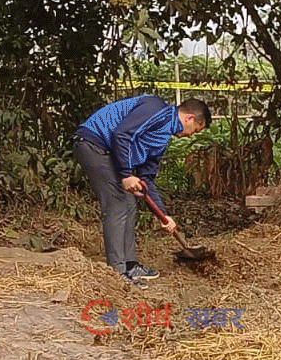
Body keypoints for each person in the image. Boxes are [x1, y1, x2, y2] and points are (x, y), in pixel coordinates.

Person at [73, 93, 210, 286]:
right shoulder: (155, 108)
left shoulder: (161, 140)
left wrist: (164, 215)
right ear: (189, 118)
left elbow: (147, 179)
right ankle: (117, 272)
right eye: (195, 130)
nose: (190, 136)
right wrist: (126, 174)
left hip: (108, 152)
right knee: (118, 204)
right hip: (93, 144)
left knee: (129, 204)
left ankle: (129, 265)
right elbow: (121, 134)